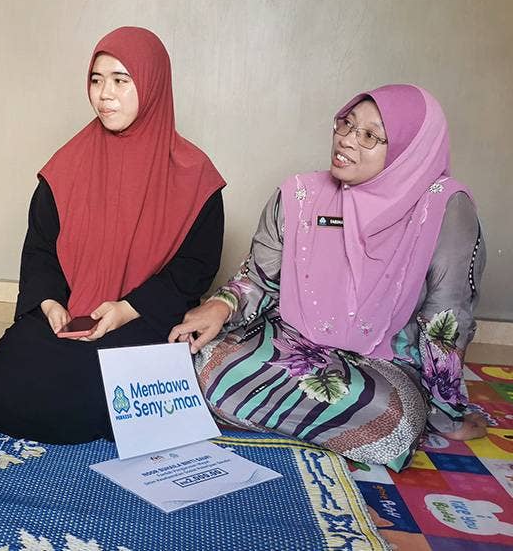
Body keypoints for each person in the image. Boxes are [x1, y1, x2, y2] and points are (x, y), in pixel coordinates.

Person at [170, 85, 487, 471]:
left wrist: (446, 414)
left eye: (369, 135)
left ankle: (260, 411)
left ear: (409, 152)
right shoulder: (300, 195)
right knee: (203, 358)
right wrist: (222, 305)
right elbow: (258, 277)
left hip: (382, 364)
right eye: (346, 124)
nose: (347, 140)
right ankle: (326, 428)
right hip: (292, 343)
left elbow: (446, 319)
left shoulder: (443, 207)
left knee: (392, 419)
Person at [0, 27, 226, 443]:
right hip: (72, 311)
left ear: (152, 85)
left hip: (142, 315)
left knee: (97, 387)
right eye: (96, 80)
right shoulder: (67, 164)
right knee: (6, 382)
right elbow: (41, 247)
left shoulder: (193, 174)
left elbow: (194, 269)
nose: (104, 94)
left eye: (120, 80)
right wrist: (51, 302)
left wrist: (127, 309)